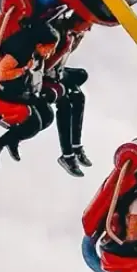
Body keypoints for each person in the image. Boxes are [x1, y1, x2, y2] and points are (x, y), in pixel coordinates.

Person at [0, 21, 60, 169]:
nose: (50, 54)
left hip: (17, 88)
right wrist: (24, 69)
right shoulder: (21, 50)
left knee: (47, 115)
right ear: (39, 45)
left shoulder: (34, 52)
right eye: (49, 49)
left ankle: (14, 139)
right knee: (33, 123)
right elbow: (2, 74)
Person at [42, 12, 93, 177]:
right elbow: (48, 62)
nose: (89, 30)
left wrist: (78, 38)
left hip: (57, 72)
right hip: (45, 76)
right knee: (65, 104)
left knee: (79, 94)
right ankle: (67, 155)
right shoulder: (60, 34)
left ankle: (76, 146)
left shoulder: (73, 35)